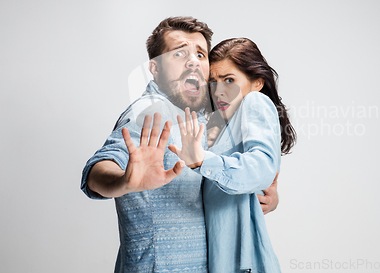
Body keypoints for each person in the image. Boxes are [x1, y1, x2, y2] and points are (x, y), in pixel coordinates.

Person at [80, 17, 278, 272]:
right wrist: (123, 181)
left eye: (200, 54)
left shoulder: (201, 116)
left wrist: (266, 191)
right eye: (179, 53)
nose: (193, 60)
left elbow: (245, 163)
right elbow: (98, 169)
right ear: (155, 68)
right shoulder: (151, 110)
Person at [170, 38, 296, 273]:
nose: (219, 91)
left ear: (257, 82)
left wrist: (203, 161)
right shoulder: (219, 124)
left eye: (230, 80)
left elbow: (261, 166)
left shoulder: (254, 101)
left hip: (243, 263)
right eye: (214, 82)